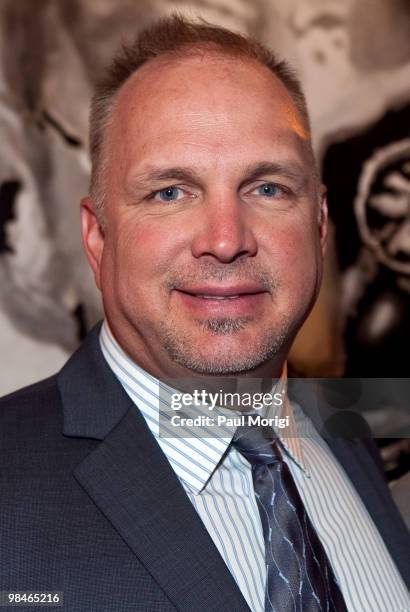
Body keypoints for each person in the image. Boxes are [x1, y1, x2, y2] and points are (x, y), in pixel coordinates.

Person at [0, 14, 409, 612]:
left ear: (319, 224)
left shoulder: (351, 434)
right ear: (97, 237)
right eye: (170, 192)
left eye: (266, 188)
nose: (225, 239)